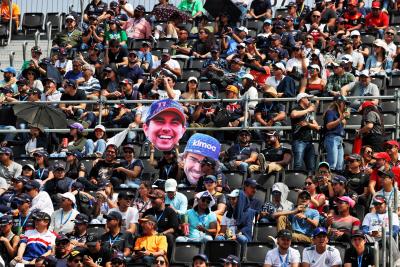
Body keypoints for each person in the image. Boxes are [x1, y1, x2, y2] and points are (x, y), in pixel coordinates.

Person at [143, 189, 179, 258]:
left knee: (170, 237)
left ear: (162, 199)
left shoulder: (170, 211)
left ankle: (167, 260)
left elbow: (174, 228)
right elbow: (142, 225)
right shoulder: (148, 212)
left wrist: (161, 234)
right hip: (150, 235)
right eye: (151, 199)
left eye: (154, 198)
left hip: (163, 235)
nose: (152, 201)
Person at [290, 93, 320, 171]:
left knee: (312, 167)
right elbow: (293, 114)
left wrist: (308, 124)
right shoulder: (297, 108)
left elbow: (317, 127)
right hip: (299, 141)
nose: (309, 100)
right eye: (307, 98)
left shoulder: (308, 113)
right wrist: (308, 109)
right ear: (302, 99)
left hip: (309, 142)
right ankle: (296, 182)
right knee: (298, 165)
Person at [322, 95, 350, 171]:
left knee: (339, 166)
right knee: (332, 164)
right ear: (339, 103)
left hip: (339, 140)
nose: (345, 106)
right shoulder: (330, 112)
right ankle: (330, 181)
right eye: (345, 103)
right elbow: (328, 126)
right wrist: (340, 119)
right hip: (332, 138)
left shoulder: (339, 114)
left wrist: (343, 119)